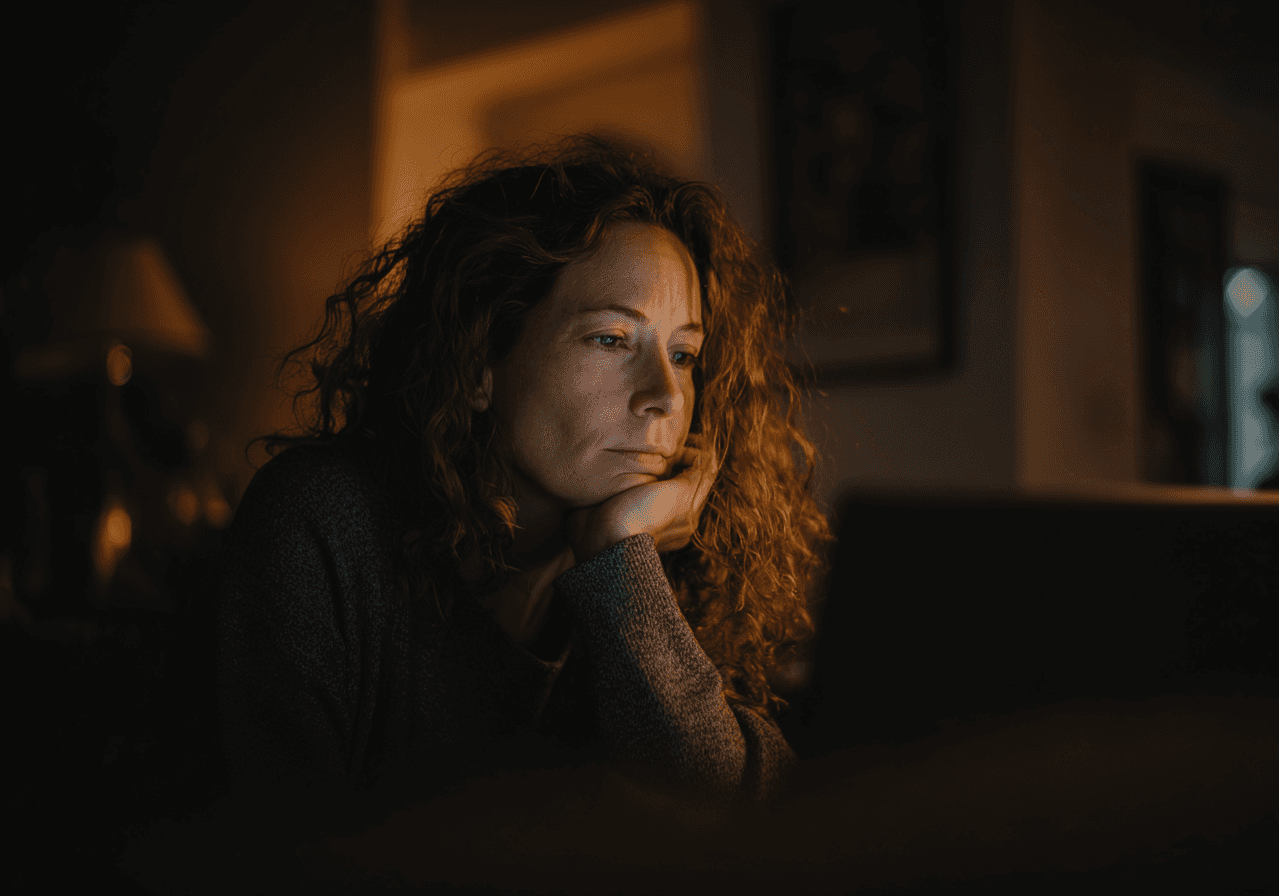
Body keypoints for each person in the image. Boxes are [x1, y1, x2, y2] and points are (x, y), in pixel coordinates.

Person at [214, 135, 833, 829]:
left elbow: (759, 826)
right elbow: (276, 850)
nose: (665, 395)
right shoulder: (323, 521)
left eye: (685, 354)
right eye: (611, 339)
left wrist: (620, 558)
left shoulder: (657, 569)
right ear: (479, 362)